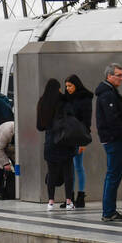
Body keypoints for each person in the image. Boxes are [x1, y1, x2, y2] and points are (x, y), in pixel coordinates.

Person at [94, 62, 122, 222]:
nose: (121, 78)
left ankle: (109, 210)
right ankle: (109, 211)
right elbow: (113, 119)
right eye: (118, 75)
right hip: (114, 139)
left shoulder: (108, 92)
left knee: (113, 174)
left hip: (112, 139)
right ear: (109, 76)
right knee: (113, 174)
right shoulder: (108, 94)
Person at [37, 78, 76, 211]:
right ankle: (69, 201)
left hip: (50, 142)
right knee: (68, 172)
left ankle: (50, 202)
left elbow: (39, 126)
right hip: (65, 142)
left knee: (52, 173)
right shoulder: (64, 101)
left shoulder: (42, 102)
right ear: (58, 89)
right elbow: (71, 119)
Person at [63, 75, 93, 209]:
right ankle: (70, 197)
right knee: (69, 168)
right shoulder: (66, 99)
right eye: (66, 86)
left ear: (76, 85)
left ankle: (80, 196)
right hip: (67, 137)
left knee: (78, 166)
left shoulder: (84, 99)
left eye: (70, 86)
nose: (68, 88)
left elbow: (87, 121)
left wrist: (83, 142)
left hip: (78, 136)